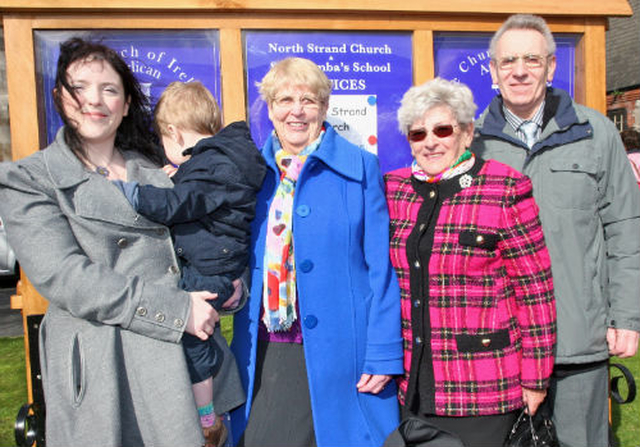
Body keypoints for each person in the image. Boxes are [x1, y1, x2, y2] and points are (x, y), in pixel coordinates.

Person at [0, 38, 225, 447]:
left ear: (124, 105)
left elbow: (203, 243)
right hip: (102, 362)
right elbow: (66, 277)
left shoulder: (160, 171)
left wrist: (227, 286)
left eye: (109, 90)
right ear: (59, 98)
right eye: (80, 87)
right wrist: (176, 309)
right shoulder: (31, 179)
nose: (95, 100)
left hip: (179, 361)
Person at [472, 14, 640, 447]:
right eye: (508, 61)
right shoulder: (472, 144)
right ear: (492, 70)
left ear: (550, 66)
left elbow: (625, 228)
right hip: (501, 342)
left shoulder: (595, 132)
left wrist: (626, 316)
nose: (520, 70)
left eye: (532, 59)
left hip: (577, 337)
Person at [229, 57, 403, 447]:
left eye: (309, 100)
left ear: (325, 108)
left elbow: (381, 268)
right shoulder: (249, 175)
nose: (296, 110)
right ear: (270, 109)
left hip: (346, 354)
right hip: (268, 352)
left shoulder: (360, 167)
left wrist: (384, 353)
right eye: (285, 99)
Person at [385, 77, 556, 447]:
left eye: (442, 129)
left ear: (466, 132)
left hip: (482, 387)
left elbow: (535, 291)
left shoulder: (504, 188)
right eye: (418, 134)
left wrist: (535, 378)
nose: (430, 141)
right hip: (412, 386)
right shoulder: (393, 189)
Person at [113, 81, 266, 446]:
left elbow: (180, 206)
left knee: (191, 334)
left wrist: (129, 191)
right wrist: (177, 176)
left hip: (208, 273)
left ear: (173, 131)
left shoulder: (210, 167)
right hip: (217, 267)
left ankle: (207, 419)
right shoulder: (220, 161)